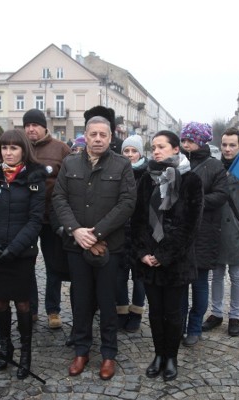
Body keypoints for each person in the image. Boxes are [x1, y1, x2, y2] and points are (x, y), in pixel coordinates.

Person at [52, 115, 136, 381]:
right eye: (93, 134)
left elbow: (126, 203)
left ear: (110, 138)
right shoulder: (70, 163)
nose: (98, 139)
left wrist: (97, 233)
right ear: (85, 136)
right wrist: (76, 231)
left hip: (110, 246)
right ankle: (81, 350)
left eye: (103, 135)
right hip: (76, 246)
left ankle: (109, 353)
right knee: (81, 300)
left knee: (107, 301)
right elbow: (59, 198)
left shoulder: (122, 165)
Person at [131, 130, 203, 381]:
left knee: (173, 313)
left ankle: (171, 357)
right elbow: (138, 220)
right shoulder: (146, 180)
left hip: (175, 262)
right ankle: (158, 354)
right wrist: (143, 253)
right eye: (154, 147)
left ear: (176, 149)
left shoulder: (191, 180)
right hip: (149, 260)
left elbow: (190, 226)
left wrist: (164, 255)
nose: (157, 151)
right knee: (154, 312)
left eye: (162, 146)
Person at [0, 129, 46, 379]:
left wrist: (14, 248)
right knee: (1, 301)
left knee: (23, 302)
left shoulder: (34, 176)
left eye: (14, 148)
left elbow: (36, 219)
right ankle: (6, 348)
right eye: (4, 147)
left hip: (21, 253)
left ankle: (25, 354)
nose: (8, 152)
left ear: (23, 150)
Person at [202, 128, 239, 337]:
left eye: (232, 145)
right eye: (224, 144)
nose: (227, 149)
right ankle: (216, 313)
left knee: (236, 275)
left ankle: (235, 316)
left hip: (235, 229)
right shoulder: (214, 167)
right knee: (216, 274)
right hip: (215, 228)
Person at [179, 122, 228, 347]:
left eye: (190, 140)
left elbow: (220, 196)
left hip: (204, 232)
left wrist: (194, 200)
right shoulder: (177, 161)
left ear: (201, 141)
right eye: (184, 140)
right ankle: (178, 325)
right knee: (178, 285)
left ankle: (195, 326)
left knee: (199, 285)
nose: (186, 144)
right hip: (179, 232)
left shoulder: (215, 167)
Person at [22, 108, 71, 328]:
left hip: (52, 218)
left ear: (44, 127)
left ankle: (53, 310)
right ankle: (30, 309)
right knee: (26, 264)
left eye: (35, 125)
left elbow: (70, 181)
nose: (31, 129)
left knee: (54, 265)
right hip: (26, 218)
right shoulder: (19, 147)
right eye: (28, 125)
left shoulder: (61, 149)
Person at [116, 134, 149, 332]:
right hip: (119, 233)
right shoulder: (116, 171)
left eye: (134, 151)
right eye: (126, 151)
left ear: (140, 153)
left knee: (139, 278)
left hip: (140, 234)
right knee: (119, 277)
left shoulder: (148, 174)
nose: (130, 155)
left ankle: (136, 313)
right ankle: (121, 311)